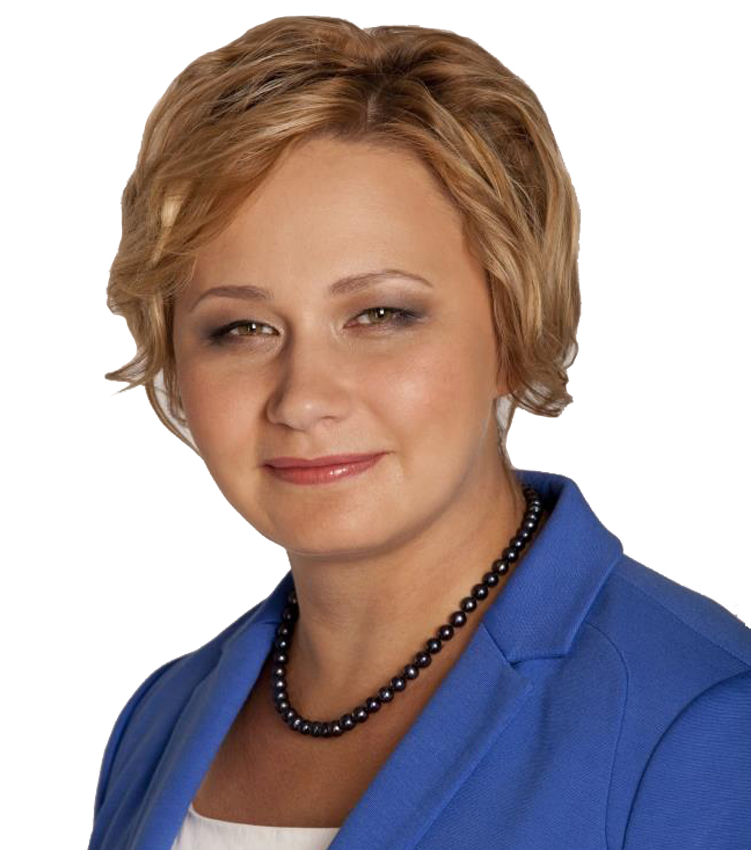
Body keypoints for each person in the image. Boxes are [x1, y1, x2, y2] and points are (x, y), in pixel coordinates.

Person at [88, 16, 751, 850]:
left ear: (512, 329)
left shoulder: (701, 727)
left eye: (380, 314)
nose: (303, 398)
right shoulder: (158, 723)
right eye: (241, 328)